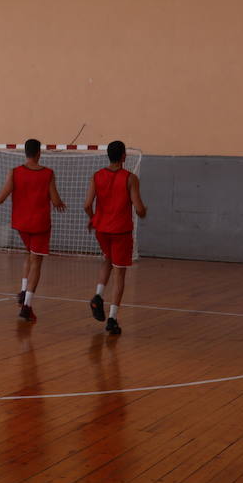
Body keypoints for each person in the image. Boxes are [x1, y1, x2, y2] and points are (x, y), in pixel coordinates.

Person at [0, 139, 66, 322]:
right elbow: (55, 200)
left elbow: (2, 196)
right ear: (39, 153)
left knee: (28, 255)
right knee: (36, 263)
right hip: (39, 225)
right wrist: (60, 203)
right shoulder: (47, 173)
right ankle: (27, 307)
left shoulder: (14, 172)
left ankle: (24, 291)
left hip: (21, 224)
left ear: (25, 153)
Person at [84, 140, 147, 336]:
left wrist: (92, 218)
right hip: (120, 231)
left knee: (107, 260)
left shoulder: (97, 176)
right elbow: (138, 208)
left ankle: (98, 295)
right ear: (124, 156)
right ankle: (112, 319)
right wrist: (144, 211)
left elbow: (87, 204)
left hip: (101, 229)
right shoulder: (130, 178)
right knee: (120, 275)